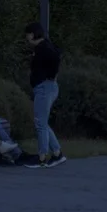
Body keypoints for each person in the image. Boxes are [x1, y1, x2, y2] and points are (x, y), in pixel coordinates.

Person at [21, 21, 66, 170]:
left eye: (27, 35)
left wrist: (51, 75)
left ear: (33, 34)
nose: (26, 39)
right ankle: (57, 153)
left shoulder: (43, 48)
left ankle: (42, 157)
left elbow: (56, 57)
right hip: (46, 87)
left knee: (40, 123)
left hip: (44, 87)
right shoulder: (45, 46)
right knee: (43, 122)